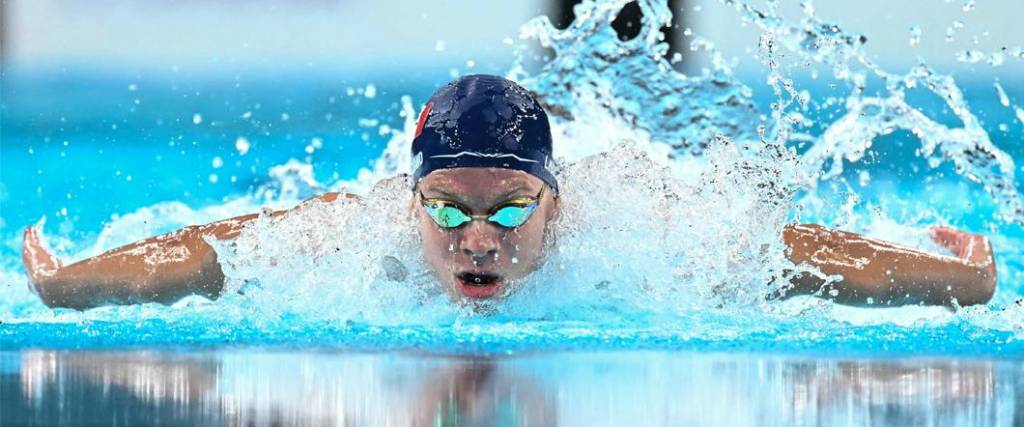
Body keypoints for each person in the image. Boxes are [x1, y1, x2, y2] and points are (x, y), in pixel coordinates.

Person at [21, 75, 997, 310]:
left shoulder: (640, 235)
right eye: (446, 207)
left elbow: (798, 254)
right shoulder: (361, 234)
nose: (474, 238)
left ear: (554, 202)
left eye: (507, 208)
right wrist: (70, 285)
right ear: (412, 203)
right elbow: (212, 249)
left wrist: (956, 282)